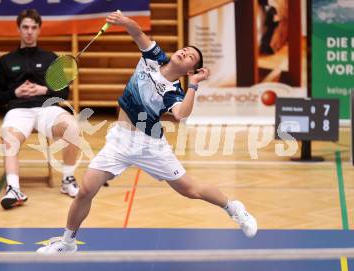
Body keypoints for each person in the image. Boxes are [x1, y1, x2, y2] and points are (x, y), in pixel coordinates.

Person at [37, 11, 258, 254]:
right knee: (86, 190)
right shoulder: (153, 57)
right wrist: (124, 22)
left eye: (191, 57)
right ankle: (67, 242)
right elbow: (137, 32)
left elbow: (181, 114)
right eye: (185, 49)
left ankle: (234, 209)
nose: (185, 52)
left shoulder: (174, 92)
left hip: (150, 145)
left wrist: (194, 85)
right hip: (120, 140)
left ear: (189, 70)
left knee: (190, 190)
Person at [0, 9, 81, 210]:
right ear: (19, 29)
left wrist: (45, 89)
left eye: (33, 27)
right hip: (18, 110)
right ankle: (13, 189)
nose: (29, 32)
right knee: (9, 138)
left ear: (39, 30)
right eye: (25, 27)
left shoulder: (50, 58)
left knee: (73, 127)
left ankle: (67, 180)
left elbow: (64, 94)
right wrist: (15, 92)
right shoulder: (7, 61)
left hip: (47, 108)